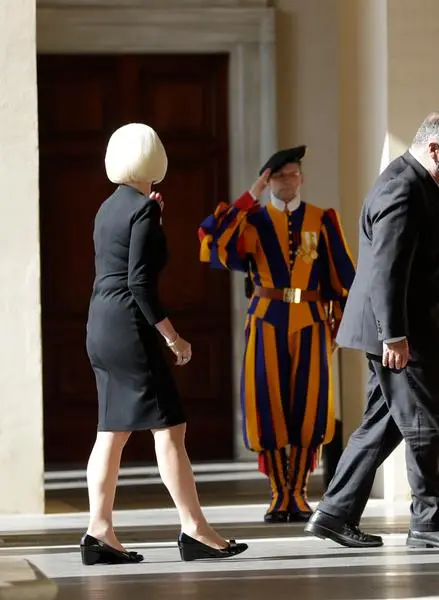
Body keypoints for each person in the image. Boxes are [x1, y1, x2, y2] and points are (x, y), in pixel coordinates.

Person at [305, 111, 439, 550]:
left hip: (414, 328)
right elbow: (386, 271)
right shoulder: (402, 188)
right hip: (404, 335)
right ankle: (430, 521)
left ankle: (333, 513)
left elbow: (434, 261)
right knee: (427, 423)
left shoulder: (428, 185)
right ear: (435, 149)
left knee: (384, 423)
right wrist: (394, 336)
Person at [83, 123, 248, 565]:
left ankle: (98, 531)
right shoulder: (144, 210)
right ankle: (195, 529)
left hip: (100, 323)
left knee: (111, 431)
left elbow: (120, 264)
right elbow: (140, 283)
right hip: (130, 326)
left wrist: (151, 214)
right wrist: (173, 337)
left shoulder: (108, 208)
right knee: (169, 428)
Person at [199, 146, 356, 524]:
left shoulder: (321, 219)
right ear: (267, 180)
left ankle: (298, 492)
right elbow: (214, 246)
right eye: (279, 176)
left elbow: (344, 276)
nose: (288, 181)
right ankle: (278, 493)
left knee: (309, 405)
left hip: (312, 321)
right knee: (265, 404)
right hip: (266, 319)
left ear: (301, 178)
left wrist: (343, 324)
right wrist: (250, 195)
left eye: (293, 174)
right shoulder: (250, 219)